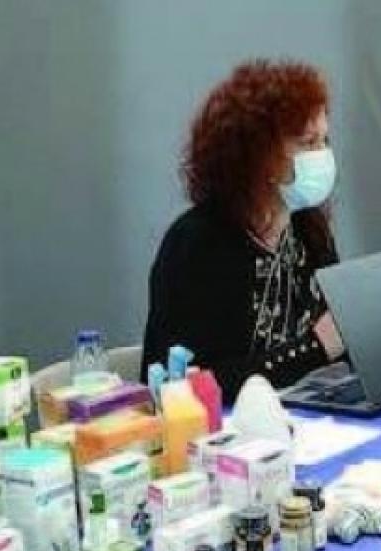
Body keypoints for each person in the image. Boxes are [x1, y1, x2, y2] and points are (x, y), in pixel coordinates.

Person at [141, 60, 344, 402]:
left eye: (324, 141)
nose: (322, 156)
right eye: (308, 143)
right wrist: (314, 347)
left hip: (306, 420)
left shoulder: (307, 228)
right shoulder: (198, 244)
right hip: (222, 439)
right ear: (256, 154)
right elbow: (190, 385)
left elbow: (339, 330)